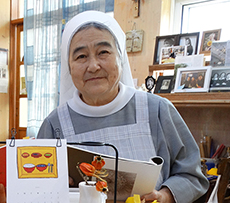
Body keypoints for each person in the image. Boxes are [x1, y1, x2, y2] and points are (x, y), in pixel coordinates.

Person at [37, 10, 209, 203]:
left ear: (120, 57)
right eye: (81, 56)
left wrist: (165, 196)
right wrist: (53, 188)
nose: (93, 66)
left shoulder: (157, 110)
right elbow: (37, 187)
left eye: (103, 52)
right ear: (69, 67)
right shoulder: (54, 124)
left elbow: (193, 175)